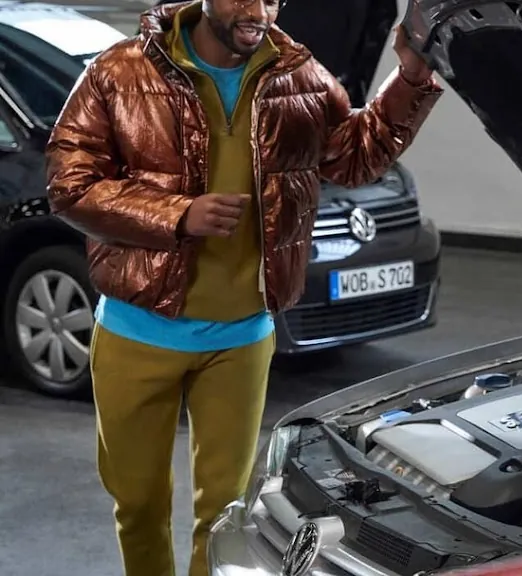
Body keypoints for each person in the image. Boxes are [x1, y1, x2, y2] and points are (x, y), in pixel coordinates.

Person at [44, 0, 442, 574]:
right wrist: (176, 214)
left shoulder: (297, 76)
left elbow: (357, 156)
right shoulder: (120, 72)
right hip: (138, 331)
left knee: (226, 513)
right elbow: (68, 185)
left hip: (242, 338)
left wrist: (411, 77)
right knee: (138, 505)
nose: (258, 10)